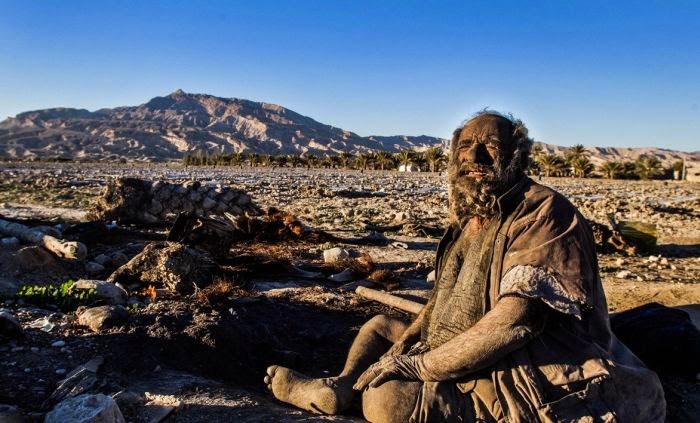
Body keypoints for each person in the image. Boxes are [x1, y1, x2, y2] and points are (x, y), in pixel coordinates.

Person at [264, 112, 666, 422]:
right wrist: (408, 342)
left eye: (490, 145)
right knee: (381, 327)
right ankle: (341, 386)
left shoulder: (543, 212)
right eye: (466, 146)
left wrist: (416, 365)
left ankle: (367, 394)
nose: (474, 156)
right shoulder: (468, 220)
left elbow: (516, 322)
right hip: (455, 346)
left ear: (517, 155)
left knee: (387, 399)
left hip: (525, 363)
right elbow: (440, 303)